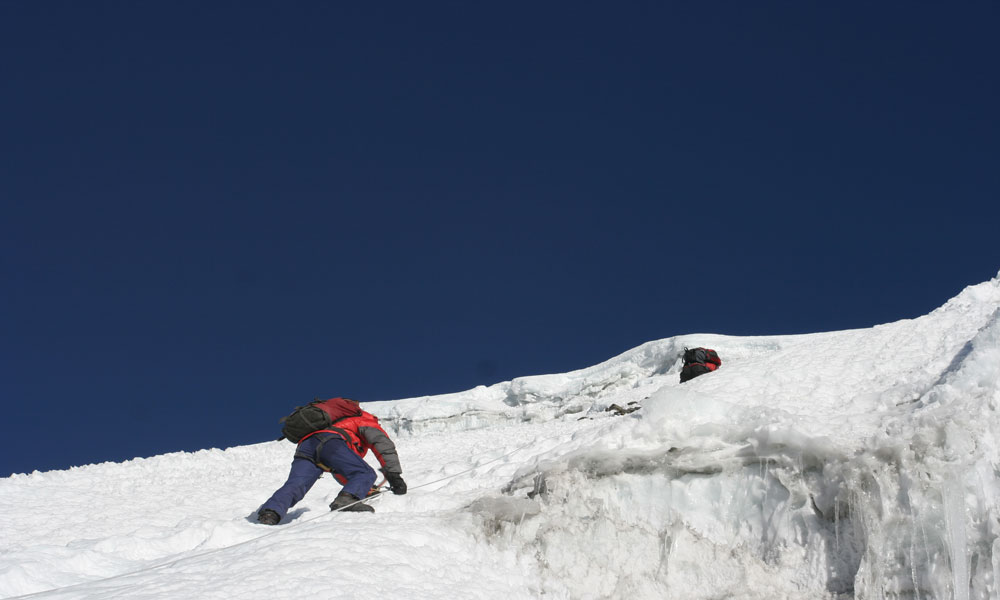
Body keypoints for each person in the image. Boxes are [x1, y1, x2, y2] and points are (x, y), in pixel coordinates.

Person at [257, 399, 406, 525]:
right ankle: (345, 501)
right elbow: (382, 444)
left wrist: (363, 489)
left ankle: (270, 513)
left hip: (305, 446)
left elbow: (340, 470)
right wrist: (394, 474)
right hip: (330, 442)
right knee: (365, 473)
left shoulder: (335, 422)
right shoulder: (365, 420)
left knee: (296, 484)